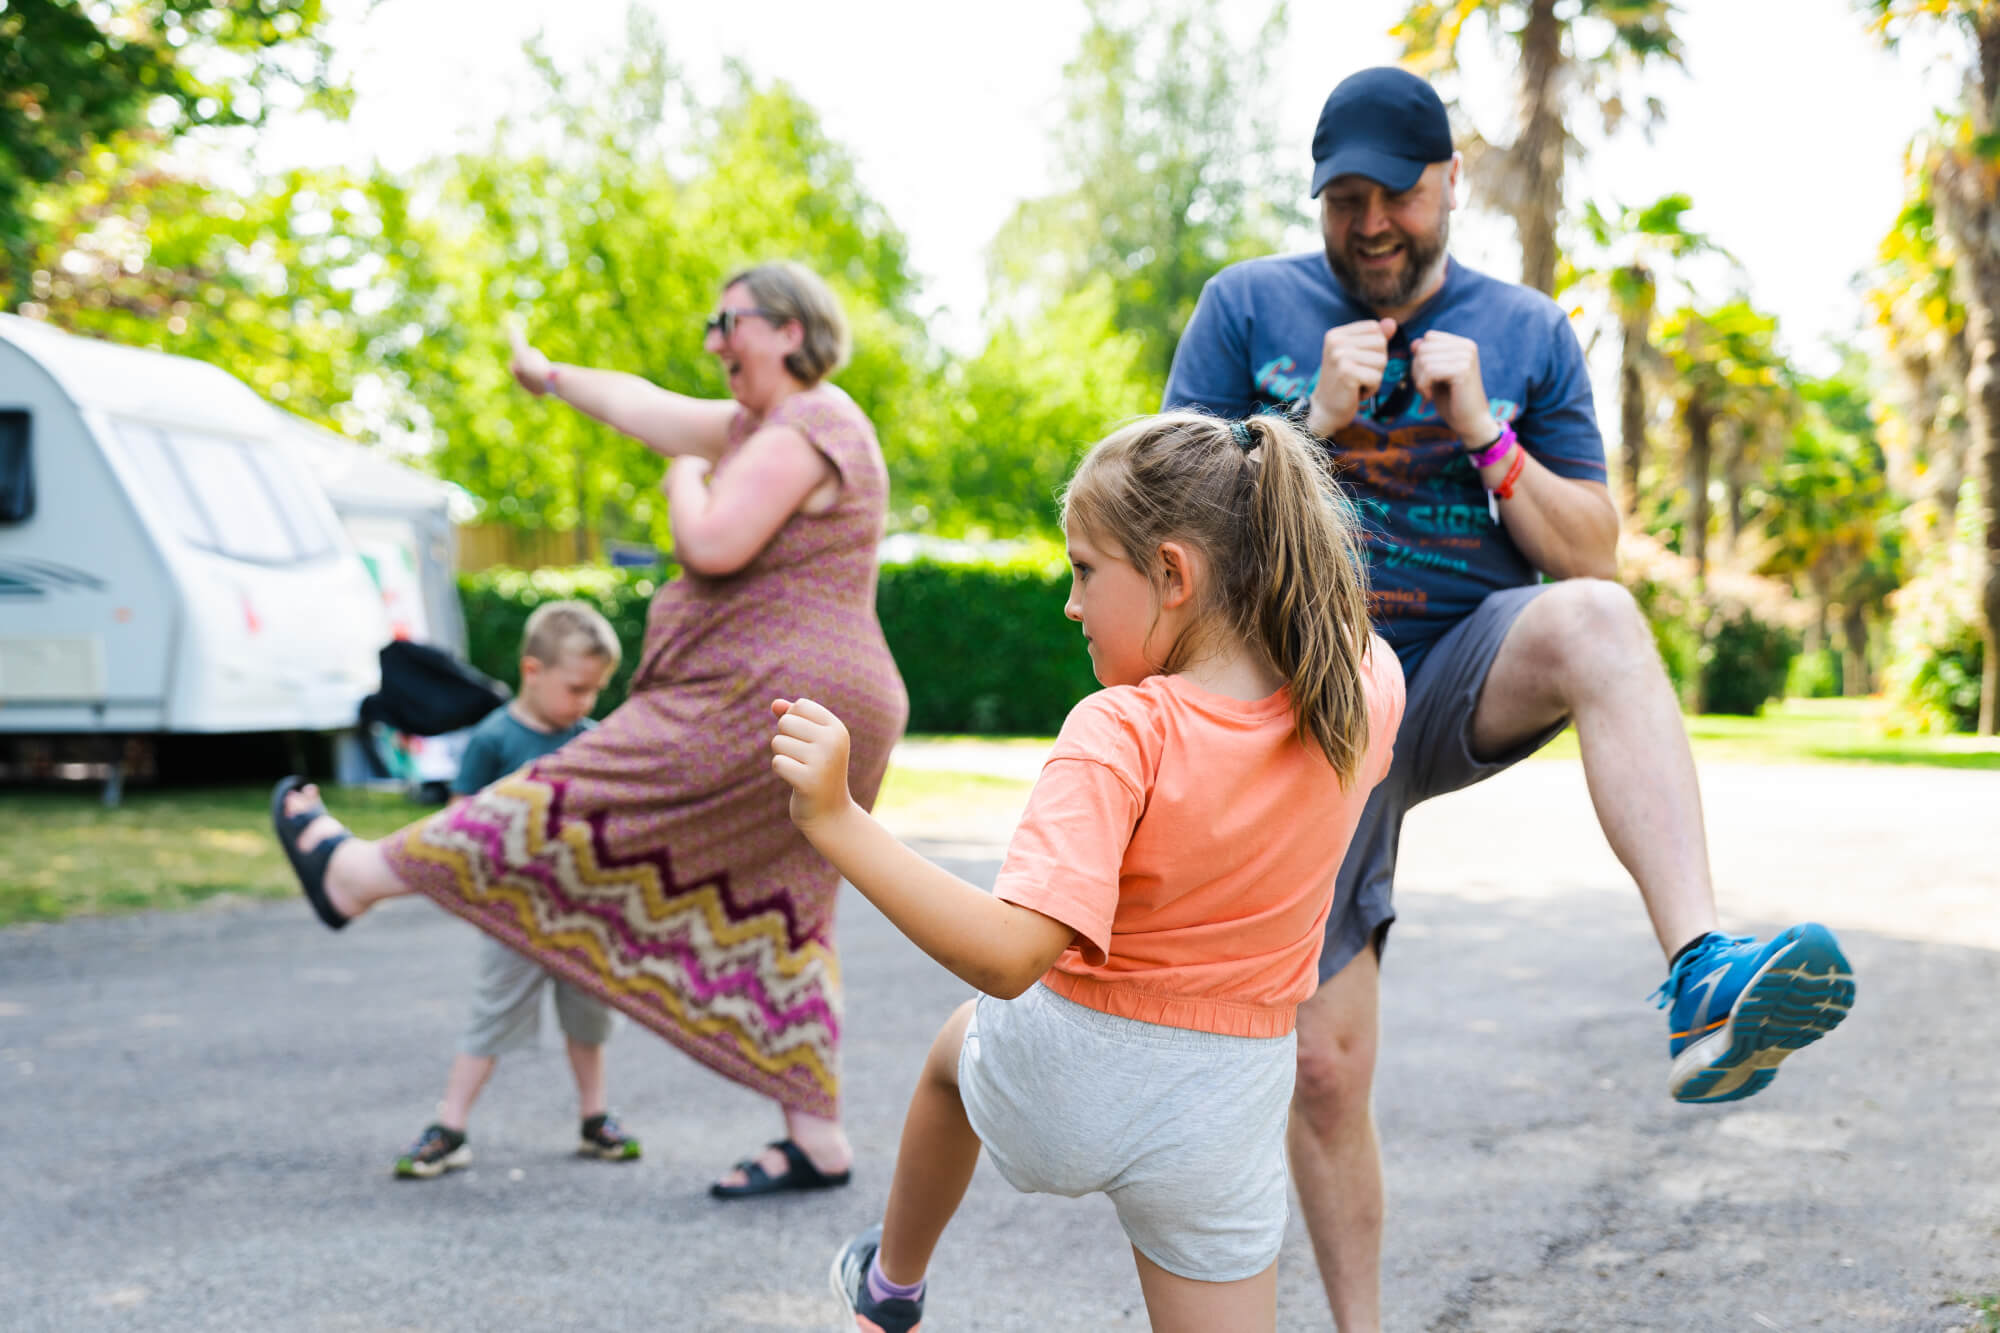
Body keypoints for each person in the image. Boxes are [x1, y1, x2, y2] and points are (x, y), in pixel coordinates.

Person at [1162, 66, 1856, 1329]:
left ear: (1449, 184)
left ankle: (1699, 963)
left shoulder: (1528, 331)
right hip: (1305, 694)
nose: (1370, 224)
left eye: (1396, 197)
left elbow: (1590, 550)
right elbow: (1163, 539)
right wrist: (1302, 428)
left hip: (1453, 675)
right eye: (1345, 199)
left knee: (1595, 617)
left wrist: (1485, 433)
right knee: (1322, 1070)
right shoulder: (1244, 307)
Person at [269, 260, 909, 1196]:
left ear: (789, 329)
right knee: (785, 913)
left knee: (580, 791)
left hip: (763, 695)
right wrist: (553, 379)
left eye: (728, 321)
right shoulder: (762, 427)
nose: (714, 341)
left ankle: (357, 876)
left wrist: (686, 475)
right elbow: (642, 404)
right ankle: (816, 1136)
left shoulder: (811, 423)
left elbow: (714, 540)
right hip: (811, 699)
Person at [770, 412, 1406, 1333]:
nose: (1070, 603)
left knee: (955, 1053)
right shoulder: (1361, 691)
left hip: (1070, 1073)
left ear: (1173, 575)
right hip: (1229, 1106)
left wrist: (838, 818)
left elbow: (1009, 956)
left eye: (1084, 568)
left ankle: (892, 1286)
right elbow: (1341, 631)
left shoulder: (1121, 730)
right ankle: (892, 1285)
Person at [391, 600, 643, 1179]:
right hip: (513, 914)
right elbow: (459, 825)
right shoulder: (493, 740)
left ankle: (594, 1117)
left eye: (596, 690)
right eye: (576, 688)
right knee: (491, 1018)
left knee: (589, 1023)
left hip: (584, 913)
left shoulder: (593, 740)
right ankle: (450, 1126)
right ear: (533, 671)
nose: (586, 703)